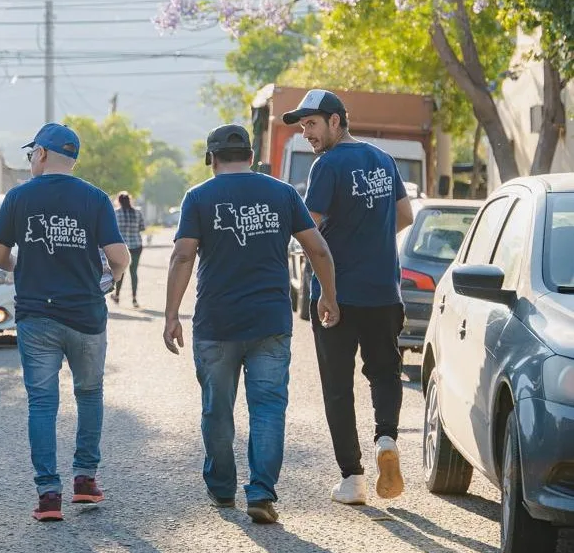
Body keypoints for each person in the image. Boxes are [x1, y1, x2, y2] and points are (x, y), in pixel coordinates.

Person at [163, 124, 339, 524]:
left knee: (217, 410)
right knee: (268, 409)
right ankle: (261, 493)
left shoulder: (199, 197)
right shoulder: (282, 193)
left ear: (212, 159)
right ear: (252, 156)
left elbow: (182, 257)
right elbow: (319, 250)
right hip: (270, 323)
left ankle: (223, 488)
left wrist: (171, 314)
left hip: (216, 324)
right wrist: (328, 296)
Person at [0, 123, 130, 522]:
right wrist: (110, 280)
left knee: (42, 403)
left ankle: (48, 495)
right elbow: (119, 258)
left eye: (31, 153)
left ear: (42, 154)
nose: (30, 159)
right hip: (86, 314)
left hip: (36, 316)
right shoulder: (95, 198)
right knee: (89, 394)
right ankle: (85, 482)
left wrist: (22, 266)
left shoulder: (17, 197)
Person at [282, 89, 414, 505]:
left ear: (336, 121)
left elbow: (309, 231)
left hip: (336, 295)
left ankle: (353, 478)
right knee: (385, 372)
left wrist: (333, 277)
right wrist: (368, 242)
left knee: (338, 386)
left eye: (313, 124)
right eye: (303, 126)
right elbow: (405, 216)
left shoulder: (327, 166)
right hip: (383, 292)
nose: (307, 133)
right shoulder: (382, 159)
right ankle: (386, 438)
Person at [113, 191, 145, 307]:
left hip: (122, 247)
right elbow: (142, 228)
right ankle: (134, 299)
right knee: (134, 272)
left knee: (121, 271)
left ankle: (117, 295)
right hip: (136, 245)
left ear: (119, 201)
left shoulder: (115, 213)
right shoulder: (138, 212)